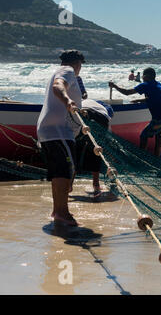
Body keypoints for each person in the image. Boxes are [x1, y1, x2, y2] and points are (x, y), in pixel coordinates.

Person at [37, 50, 85, 227]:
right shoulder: (68, 71)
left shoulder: (59, 71)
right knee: (66, 170)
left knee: (60, 171)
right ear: (77, 63)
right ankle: (62, 212)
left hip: (50, 131)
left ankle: (58, 211)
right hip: (58, 131)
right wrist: (68, 101)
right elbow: (58, 86)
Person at [108, 67, 161, 157]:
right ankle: (156, 157)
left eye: (142, 76)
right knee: (158, 135)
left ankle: (142, 158)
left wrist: (115, 86)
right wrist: (138, 100)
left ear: (146, 76)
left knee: (144, 135)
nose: (142, 77)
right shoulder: (158, 84)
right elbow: (153, 98)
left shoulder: (146, 85)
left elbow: (127, 92)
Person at [75, 99, 113, 197]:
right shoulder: (107, 109)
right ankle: (96, 186)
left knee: (76, 148)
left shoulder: (85, 101)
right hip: (100, 118)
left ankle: (69, 185)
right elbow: (108, 132)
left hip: (82, 113)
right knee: (96, 149)